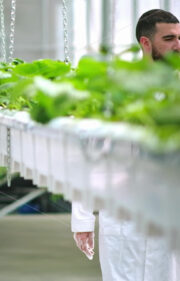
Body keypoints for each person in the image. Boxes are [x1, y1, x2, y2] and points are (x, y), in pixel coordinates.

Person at [72, 9, 180, 281]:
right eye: (169, 39)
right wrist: (83, 219)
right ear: (146, 43)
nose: (178, 45)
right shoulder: (115, 91)